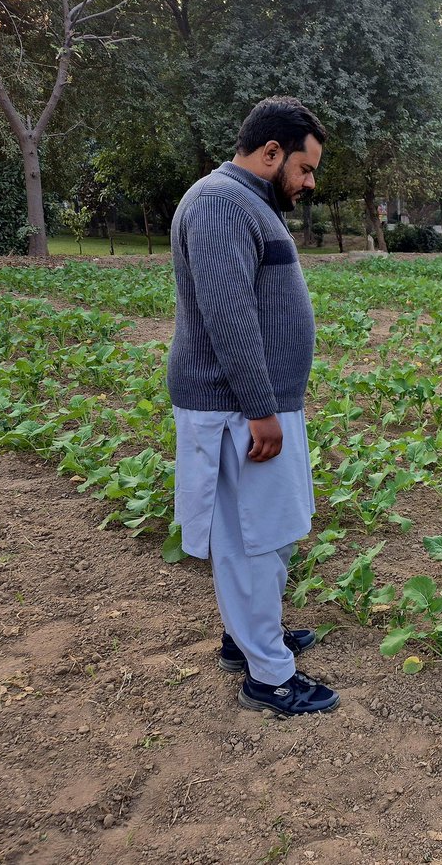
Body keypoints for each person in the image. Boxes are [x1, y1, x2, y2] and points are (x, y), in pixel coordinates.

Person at [168, 96, 339, 716]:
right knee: (253, 540)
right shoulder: (219, 202)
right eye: (305, 168)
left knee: (268, 535)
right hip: (239, 408)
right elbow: (228, 313)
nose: (309, 182)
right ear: (272, 153)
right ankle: (268, 676)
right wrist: (261, 408)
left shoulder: (245, 203)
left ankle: (248, 639)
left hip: (259, 404)